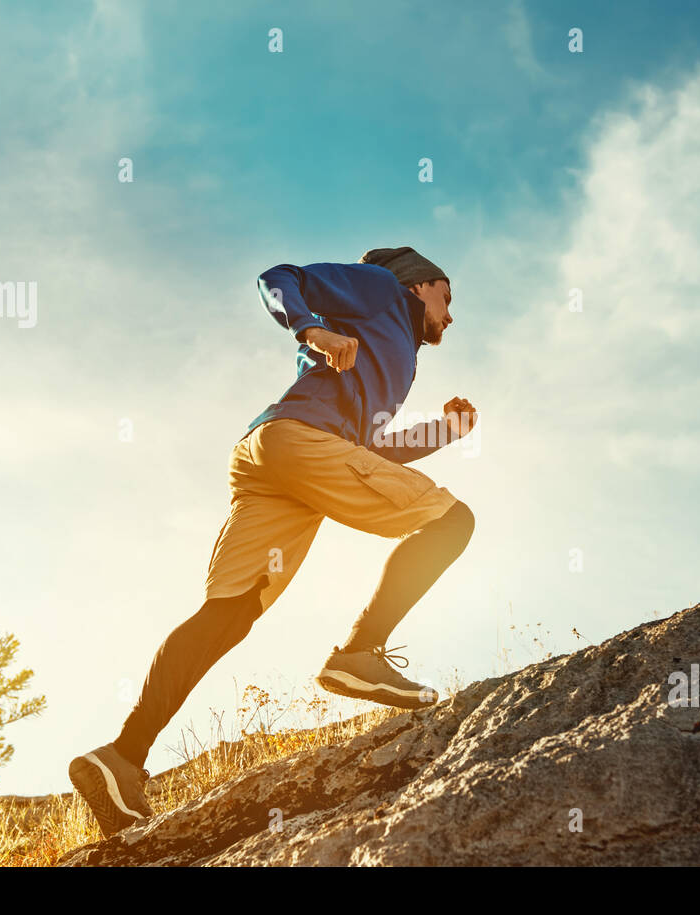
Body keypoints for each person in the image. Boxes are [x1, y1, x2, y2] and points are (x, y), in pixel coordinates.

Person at [68, 246, 477, 838]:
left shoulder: (394, 352)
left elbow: (363, 454)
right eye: (448, 296)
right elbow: (279, 278)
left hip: (275, 456)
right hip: (298, 440)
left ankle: (121, 757)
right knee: (451, 521)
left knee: (229, 613)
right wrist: (310, 328)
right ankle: (360, 653)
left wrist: (446, 431)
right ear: (421, 286)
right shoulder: (382, 290)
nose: (451, 315)